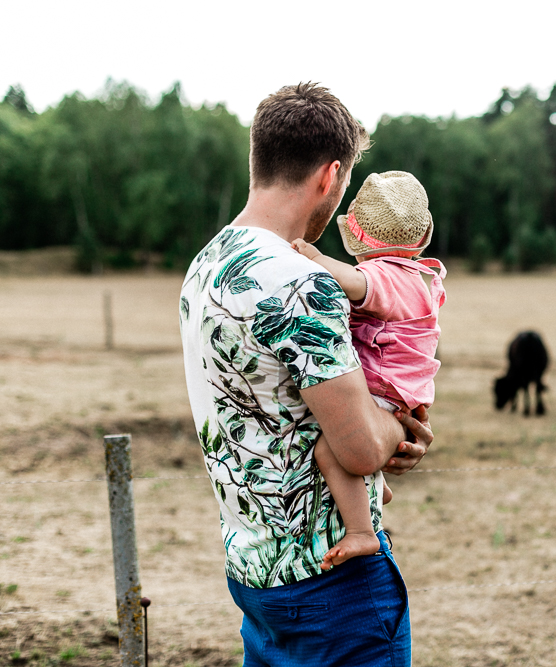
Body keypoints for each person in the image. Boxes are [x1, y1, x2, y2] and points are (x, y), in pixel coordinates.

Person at [179, 82, 430, 667]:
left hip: (252, 569)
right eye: (342, 189)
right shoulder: (299, 280)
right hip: (331, 581)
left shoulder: (206, 265)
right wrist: (400, 429)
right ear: (330, 175)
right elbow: (363, 449)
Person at [290, 170, 446, 571]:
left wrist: (312, 256)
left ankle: (361, 532)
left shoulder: (386, 277)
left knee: (330, 450)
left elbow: (349, 280)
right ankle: (375, 489)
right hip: (403, 388)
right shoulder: (418, 278)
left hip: (385, 383)